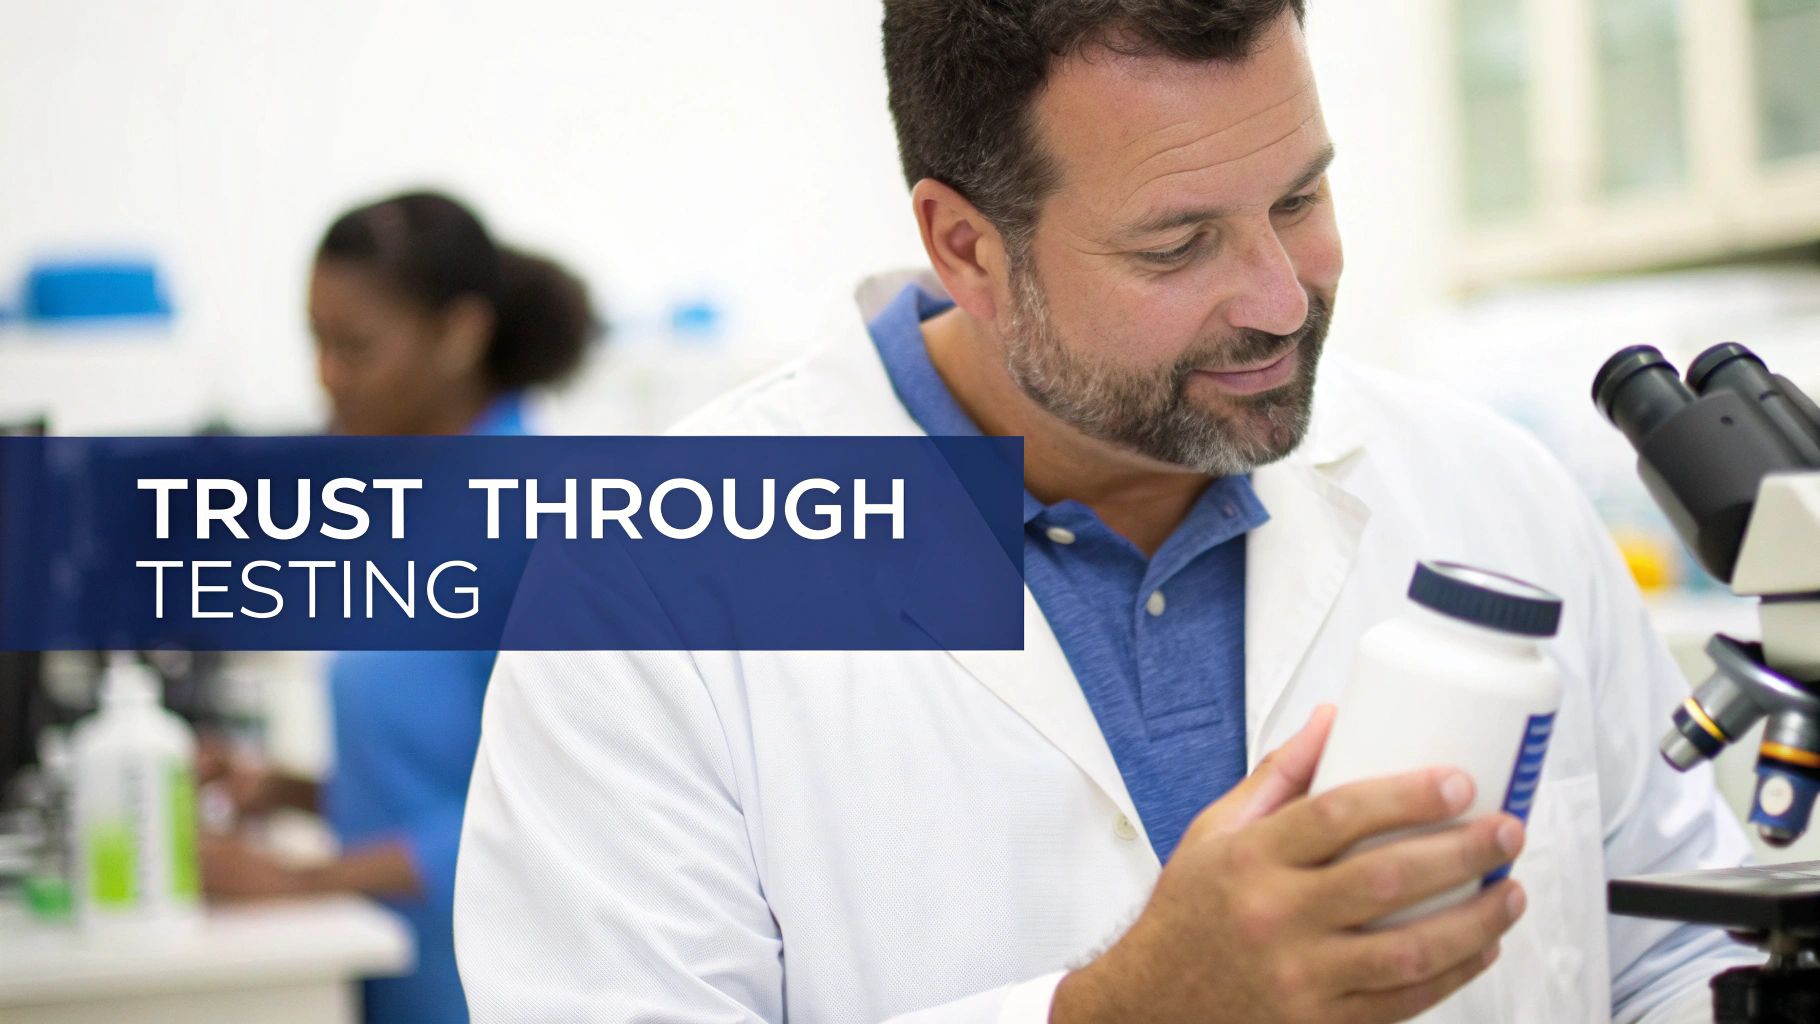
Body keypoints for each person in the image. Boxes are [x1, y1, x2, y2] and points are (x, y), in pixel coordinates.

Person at [454, 5, 1751, 1023]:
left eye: (1299, 198)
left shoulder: (1485, 490)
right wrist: (1118, 1014)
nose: (1282, 302)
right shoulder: (648, 584)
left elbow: (1680, 949)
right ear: (966, 248)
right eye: (1177, 245)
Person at [200, 190, 598, 1024]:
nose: (326, 376)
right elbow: (443, 767)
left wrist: (303, 881)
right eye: (316, 342)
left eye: (356, 347)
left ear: (459, 334)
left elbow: (558, 808)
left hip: (492, 993)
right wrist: (287, 793)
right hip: (395, 981)